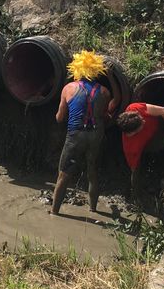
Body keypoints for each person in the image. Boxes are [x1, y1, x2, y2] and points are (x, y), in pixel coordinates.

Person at [50, 51, 117, 215]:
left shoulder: (69, 88)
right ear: (96, 71)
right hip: (96, 134)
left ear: (77, 70)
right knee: (92, 171)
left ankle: (54, 213)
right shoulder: (104, 92)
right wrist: (111, 77)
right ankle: (93, 209)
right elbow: (110, 107)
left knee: (64, 174)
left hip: (75, 135)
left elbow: (59, 118)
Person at [116, 103, 164, 208]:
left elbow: (163, 110)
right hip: (153, 138)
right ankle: (135, 196)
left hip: (161, 121)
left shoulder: (134, 109)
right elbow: (135, 171)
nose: (143, 120)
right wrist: (136, 195)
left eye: (142, 118)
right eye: (141, 123)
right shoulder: (132, 148)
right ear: (134, 132)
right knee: (160, 147)